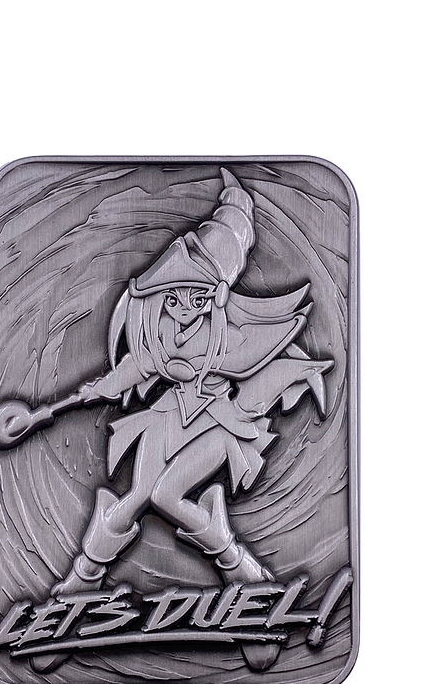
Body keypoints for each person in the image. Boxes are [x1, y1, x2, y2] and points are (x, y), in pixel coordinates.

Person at [48, 169, 335, 611]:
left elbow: (264, 369)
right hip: (168, 415)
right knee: (137, 495)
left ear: (216, 294)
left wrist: (298, 374)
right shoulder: (161, 328)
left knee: (166, 495)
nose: (183, 308)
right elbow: (140, 365)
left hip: (219, 423)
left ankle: (242, 571)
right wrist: (95, 389)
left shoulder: (231, 339)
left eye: (196, 298)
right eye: (174, 296)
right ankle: (81, 582)